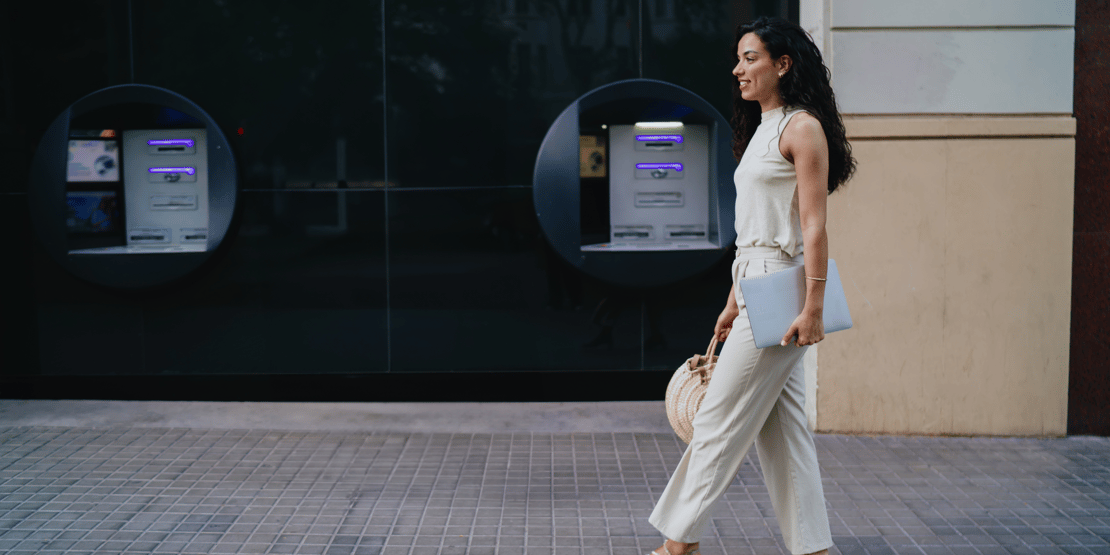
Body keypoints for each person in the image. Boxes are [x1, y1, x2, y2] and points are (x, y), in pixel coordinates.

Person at [647, 16, 855, 555]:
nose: (738, 69)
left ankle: (679, 544)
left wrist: (812, 307)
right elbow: (753, 233)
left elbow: (812, 226)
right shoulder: (763, 125)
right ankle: (815, 548)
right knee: (784, 434)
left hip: (782, 292)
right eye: (738, 59)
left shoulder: (801, 128)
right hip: (755, 286)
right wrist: (732, 302)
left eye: (750, 58)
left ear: (782, 65)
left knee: (716, 419)